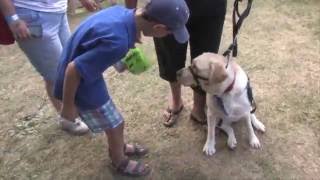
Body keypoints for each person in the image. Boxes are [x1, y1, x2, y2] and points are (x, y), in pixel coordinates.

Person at [54, 0, 189, 176]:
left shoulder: (121, 13)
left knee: (114, 123)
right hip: (79, 84)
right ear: (158, 29)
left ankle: (119, 146)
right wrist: (68, 107)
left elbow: (99, 38)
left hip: (84, 72)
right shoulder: (118, 42)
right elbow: (73, 70)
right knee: (116, 123)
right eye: (170, 32)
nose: (169, 35)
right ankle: (119, 160)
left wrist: (130, 40)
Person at [0, 0, 100, 135]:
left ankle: (77, 110)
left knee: (71, 66)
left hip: (58, 11)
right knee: (56, 74)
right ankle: (68, 118)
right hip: (31, 15)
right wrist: (13, 19)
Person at [125, 0, 227, 127]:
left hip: (211, 5)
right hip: (168, 5)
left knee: (206, 55)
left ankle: (199, 107)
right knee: (169, 56)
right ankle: (176, 101)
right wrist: (130, 20)